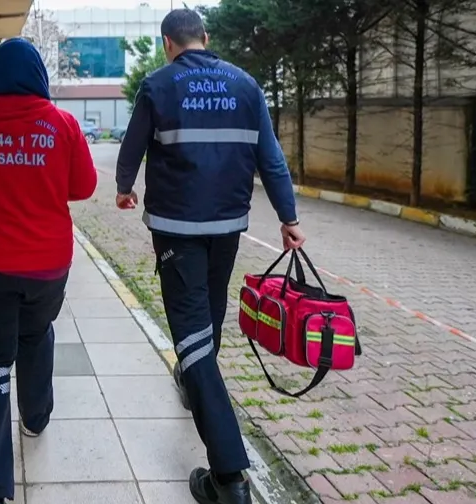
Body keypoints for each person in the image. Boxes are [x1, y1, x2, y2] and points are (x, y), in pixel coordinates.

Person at [114, 9, 306, 504]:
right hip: (227, 228)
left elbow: (132, 147)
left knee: (196, 337)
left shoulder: (157, 86)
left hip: (177, 230)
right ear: (205, 38)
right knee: (208, 318)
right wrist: (289, 218)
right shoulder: (246, 86)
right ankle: (193, 378)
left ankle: (229, 477)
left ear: (166, 44)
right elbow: (272, 158)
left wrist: (123, 188)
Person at [0, 37, 98, 504]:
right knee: (36, 335)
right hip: (46, 267)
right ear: (39, 76)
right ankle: (36, 417)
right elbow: (85, 187)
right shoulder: (63, 124)